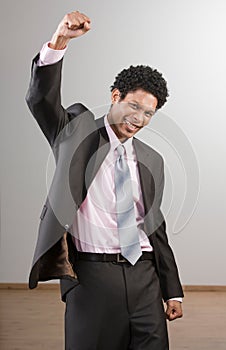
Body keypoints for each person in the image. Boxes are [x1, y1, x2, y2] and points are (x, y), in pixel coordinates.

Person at [26, 11, 184, 350]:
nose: (138, 119)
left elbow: (155, 227)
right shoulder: (75, 132)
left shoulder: (152, 160)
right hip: (91, 279)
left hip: (145, 278)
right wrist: (60, 42)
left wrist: (172, 289)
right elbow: (41, 100)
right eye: (133, 106)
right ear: (115, 96)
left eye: (148, 113)